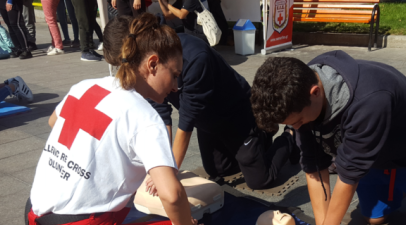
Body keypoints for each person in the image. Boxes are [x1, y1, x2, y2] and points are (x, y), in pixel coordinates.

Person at [27, 13, 205, 225]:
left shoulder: (84, 86)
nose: (176, 85)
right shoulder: (144, 116)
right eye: (174, 74)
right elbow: (171, 193)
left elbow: (55, 122)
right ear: (152, 64)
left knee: (127, 211)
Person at [250, 51, 406, 225]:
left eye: (297, 121)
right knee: (375, 219)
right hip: (377, 158)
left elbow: (350, 173)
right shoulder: (300, 88)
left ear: (315, 92)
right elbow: (313, 167)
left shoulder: (370, 99)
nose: (295, 128)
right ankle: (398, 187)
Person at [103, 15, 299, 191]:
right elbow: (162, 114)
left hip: (236, 114)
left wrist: (168, 174)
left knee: (259, 180)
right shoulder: (145, 65)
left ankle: (287, 135)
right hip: (207, 119)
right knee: (218, 170)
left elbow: (186, 124)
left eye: (176, 76)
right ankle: (256, 146)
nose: (173, 87)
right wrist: (161, 163)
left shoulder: (194, 59)